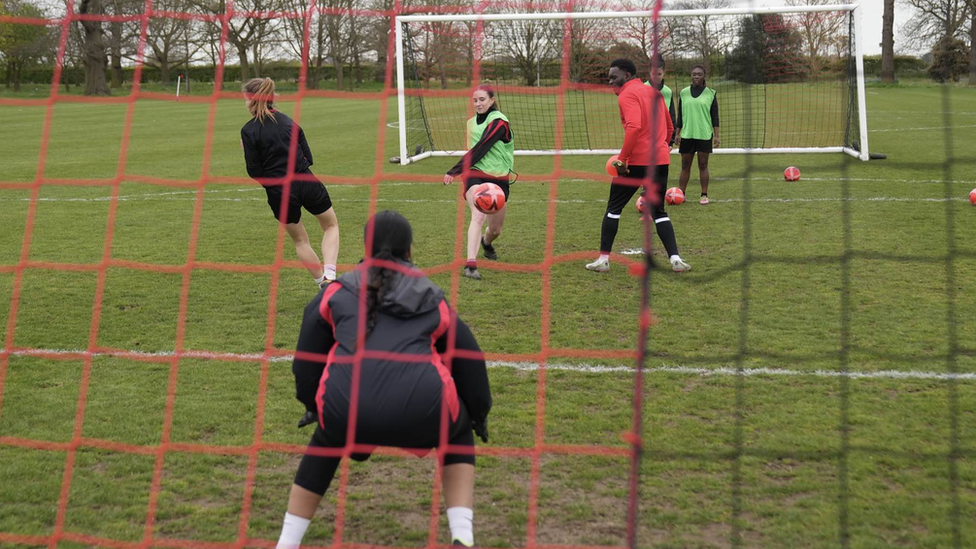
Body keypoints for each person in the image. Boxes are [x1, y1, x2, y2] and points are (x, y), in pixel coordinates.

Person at [276, 211, 492, 549]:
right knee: (459, 429)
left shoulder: (336, 292)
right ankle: (462, 536)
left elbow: (306, 359)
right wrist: (478, 415)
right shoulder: (433, 296)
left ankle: (287, 543)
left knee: (327, 436)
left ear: (365, 247)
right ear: (410, 251)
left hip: (346, 410)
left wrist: (313, 407)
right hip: (424, 409)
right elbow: (469, 361)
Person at [586, 59, 691, 274]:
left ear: (627, 74)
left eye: (614, 77)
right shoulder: (655, 93)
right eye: (609, 78)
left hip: (637, 162)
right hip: (660, 161)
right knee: (659, 211)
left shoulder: (627, 95)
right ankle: (675, 259)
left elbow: (634, 127)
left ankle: (603, 260)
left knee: (614, 209)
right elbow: (669, 127)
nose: (610, 81)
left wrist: (623, 160)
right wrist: (662, 146)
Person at [241, 77, 340, 288]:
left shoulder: (248, 131)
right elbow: (308, 157)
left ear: (250, 99)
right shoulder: (288, 122)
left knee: (300, 240)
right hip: (306, 181)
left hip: (280, 192)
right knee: (330, 226)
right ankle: (330, 275)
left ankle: (321, 282)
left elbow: (254, 171)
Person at [443, 85, 515, 281]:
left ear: (492, 100)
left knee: (495, 229)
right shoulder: (470, 123)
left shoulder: (500, 122)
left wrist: (455, 169)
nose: (478, 103)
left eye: (482, 99)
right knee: (478, 215)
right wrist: (460, 171)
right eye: (475, 100)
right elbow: (475, 153)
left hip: (499, 178)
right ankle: (470, 264)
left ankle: (486, 242)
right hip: (474, 173)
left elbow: (482, 147)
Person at [675, 64, 720, 205]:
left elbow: (715, 116)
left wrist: (717, 135)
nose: (696, 77)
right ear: (691, 75)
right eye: (694, 74)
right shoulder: (683, 93)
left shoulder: (711, 93)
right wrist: (677, 133)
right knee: (685, 165)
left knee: (703, 164)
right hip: (687, 134)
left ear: (704, 76)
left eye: (699, 74)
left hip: (704, 134)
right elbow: (680, 116)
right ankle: (681, 194)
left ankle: (704, 195)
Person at [644, 54, 676, 136]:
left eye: (659, 74)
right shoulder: (642, 89)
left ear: (664, 73)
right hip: (646, 136)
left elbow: (672, 116)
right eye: (653, 74)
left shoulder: (668, 91)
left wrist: (671, 140)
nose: (656, 77)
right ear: (649, 72)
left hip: (664, 135)